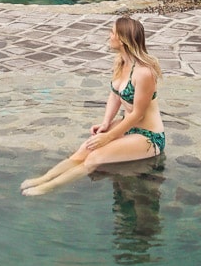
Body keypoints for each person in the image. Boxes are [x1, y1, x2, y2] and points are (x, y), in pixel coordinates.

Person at [20, 15, 165, 196]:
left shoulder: (144, 73)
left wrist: (109, 137)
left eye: (112, 32)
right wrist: (106, 123)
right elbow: (115, 95)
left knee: (94, 158)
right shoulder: (121, 62)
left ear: (122, 39)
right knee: (83, 151)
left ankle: (48, 188)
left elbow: (138, 114)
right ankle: (44, 178)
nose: (108, 35)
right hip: (127, 126)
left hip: (148, 136)